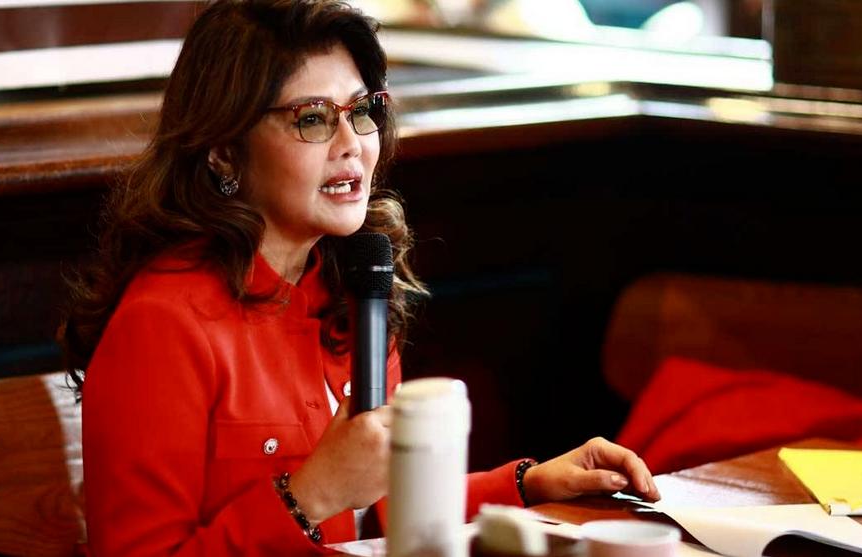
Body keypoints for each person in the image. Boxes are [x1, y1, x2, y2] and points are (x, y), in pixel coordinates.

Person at [59, 1, 660, 555]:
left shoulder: (352, 288)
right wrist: (311, 494)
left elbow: (386, 507)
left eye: (362, 111)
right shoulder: (162, 323)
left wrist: (530, 483)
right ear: (223, 151)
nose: (352, 144)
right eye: (312, 119)